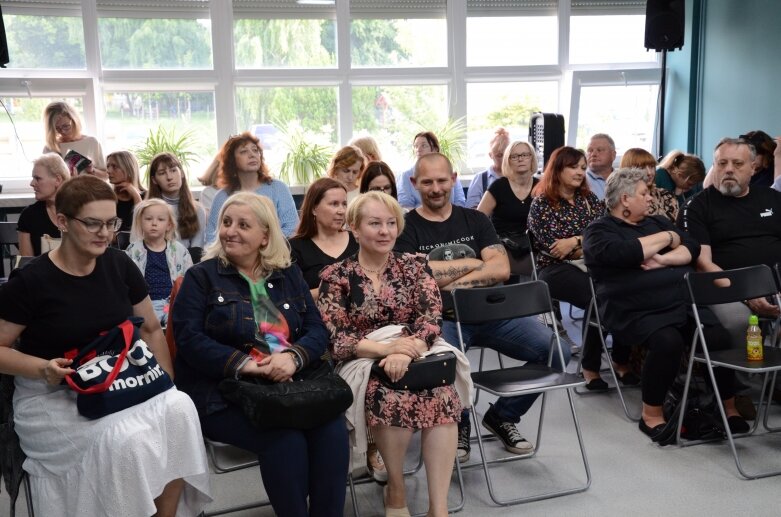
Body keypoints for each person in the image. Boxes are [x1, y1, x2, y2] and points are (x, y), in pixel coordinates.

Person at [0, 175, 211, 516]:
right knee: (123, 441)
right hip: (53, 391)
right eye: (93, 223)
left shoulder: (118, 264)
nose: (104, 233)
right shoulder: (32, 281)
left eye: (111, 223)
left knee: (180, 409)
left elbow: (152, 330)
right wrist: (42, 368)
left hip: (119, 376)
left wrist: (166, 384)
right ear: (62, 221)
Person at [172, 192, 349, 516]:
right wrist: (248, 366)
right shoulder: (202, 277)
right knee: (285, 439)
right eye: (226, 223)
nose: (230, 231)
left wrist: (293, 357)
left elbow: (316, 330)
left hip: (290, 382)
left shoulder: (287, 273)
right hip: (226, 393)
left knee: (332, 432)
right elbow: (189, 340)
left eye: (243, 224)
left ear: (265, 235)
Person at [395, 152, 566, 464]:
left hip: (493, 316)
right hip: (442, 320)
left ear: (454, 179)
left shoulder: (476, 220)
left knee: (559, 351)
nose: (436, 188)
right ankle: (459, 424)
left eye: (442, 180)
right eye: (427, 182)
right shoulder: (406, 229)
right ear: (414, 183)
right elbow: (415, 281)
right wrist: (475, 262)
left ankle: (502, 417)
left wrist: (443, 278)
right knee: (447, 366)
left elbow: (500, 269)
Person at [318, 192, 465, 517]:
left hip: (417, 352)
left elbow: (431, 317)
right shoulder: (336, 276)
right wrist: (387, 350)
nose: (385, 231)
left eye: (390, 223)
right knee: (388, 391)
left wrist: (409, 348)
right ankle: (396, 488)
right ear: (354, 228)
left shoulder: (414, 266)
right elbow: (336, 338)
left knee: (441, 395)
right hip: (363, 357)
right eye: (374, 223)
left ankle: (437, 508)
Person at [584, 168, 747, 441]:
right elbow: (625, 253)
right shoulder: (598, 230)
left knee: (717, 336)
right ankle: (652, 415)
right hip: (633, 308)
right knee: (667, 341)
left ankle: (728, 407)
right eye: (644, 193)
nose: (651, 198)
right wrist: (670, 240)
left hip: (680, 301)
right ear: (625, 199)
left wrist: (662, 257)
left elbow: (692, 247)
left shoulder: (657, 221)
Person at [527, 146, 632, 390]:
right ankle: (590, 366)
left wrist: (576, 241)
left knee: (625, 289)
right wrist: (589, 243)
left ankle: (621, 360)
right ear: (557, 169)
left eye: (583, 168)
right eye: (573, 167)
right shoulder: (542, 204)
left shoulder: (589, 200)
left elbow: (607, 234)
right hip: (554, 269)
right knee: (600, 295)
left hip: (593, 264)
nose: (580, 172)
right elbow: (556, 250)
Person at [678, 137, 781, 344]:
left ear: (753, 168)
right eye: (722, 163)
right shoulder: (696, 206)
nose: (729, 169)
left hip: (776, 285)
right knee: (741, 322)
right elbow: (703, 263)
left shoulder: (773, 199)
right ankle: (751, 377)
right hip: (725, 290)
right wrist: (745, 294)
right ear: (714, 167)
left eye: (738, 163)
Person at [205, 132, 299, 242]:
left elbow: (292, 228)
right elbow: (211, 238)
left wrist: (259, 246)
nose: (252, 155)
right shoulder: (222, 196)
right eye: (244, 151)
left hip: (273, 254)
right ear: (232, 161)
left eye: (255, 150)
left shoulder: (278, 188)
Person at [125, 199, 193, 325]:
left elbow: (189, 278)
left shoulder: (179, 250)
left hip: (173, 303)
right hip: (146, 304)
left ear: (169, 225)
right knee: (148, 328)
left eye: (160, 219)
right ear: (140, 222)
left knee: (180, 324)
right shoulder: (133, 250)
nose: (154, 223)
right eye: (149, 219)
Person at [476, 139, 538, 276]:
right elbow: (478, 219)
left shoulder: (541, 186)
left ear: (532, 158)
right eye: (514, 156)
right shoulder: (498, 186)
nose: (520, 159)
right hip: (502, 245)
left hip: (533, 246)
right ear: (508, 161)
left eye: (525, 155)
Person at [289, 177, 359, 297]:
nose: (341, 211)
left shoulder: (358, 240)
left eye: (344, 204)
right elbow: (292, 297)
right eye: (334, 204)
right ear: (314, 209)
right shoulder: (295, 247)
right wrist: (330, 288)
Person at [147, 152, 206, 252]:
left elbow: (197, 250)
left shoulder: (198, 210)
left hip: (189, 263)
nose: (169, 177)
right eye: (162, 173)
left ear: (182, 173)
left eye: (173, 170)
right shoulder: (146, 209)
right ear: (154, 180)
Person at [396, 132, 466, 209]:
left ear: (435, 149)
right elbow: (405, 206)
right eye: (416, 146)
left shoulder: (449, 171)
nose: (418, 149)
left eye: (424, 145)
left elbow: (460, 201)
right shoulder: (406, 175)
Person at [17, 153, 69, 256]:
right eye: (33, 178)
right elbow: (26, 264)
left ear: (58, 180)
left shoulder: (80, 211)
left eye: (38, 178)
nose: (32, 183)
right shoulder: (29, 215)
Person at [42, 101, 107, 179]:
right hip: (64, 191)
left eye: (66, 126)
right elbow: (45, 179)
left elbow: (106, 176)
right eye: (57, 128)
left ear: (74, 120)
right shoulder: (51, 147)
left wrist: (92, 170)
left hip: (89, 190)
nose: (62, 131)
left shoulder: (92, 142)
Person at [620, 147, 678, 222]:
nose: (649, 173)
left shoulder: (667, 196)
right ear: (628, 170)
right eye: (642, 168)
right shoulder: (622, 199)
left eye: (651, 167)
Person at [466, 128, 511, 208]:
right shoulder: (480, 179)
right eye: (499, 155)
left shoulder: (518, 177)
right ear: (491, 155)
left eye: (507, 155)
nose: (504, 159)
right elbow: (471, 210)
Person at [106, 150, 145, 233]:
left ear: (128, 168)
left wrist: (136, 196)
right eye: (108, 166)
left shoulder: (148, 195)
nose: (108, 171)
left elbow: (146, 227)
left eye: (114, 166)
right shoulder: (106, 197)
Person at [585, 133, 617, 200]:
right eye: (590, 150)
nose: (593, 154)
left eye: (600, 150)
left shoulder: (624, 179)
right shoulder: (580, 180)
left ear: (613, 155)